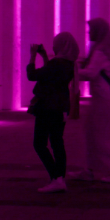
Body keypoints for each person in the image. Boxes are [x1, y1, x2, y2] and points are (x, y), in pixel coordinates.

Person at [70, 18, 110, 183]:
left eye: (91, 29)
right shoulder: (101, 48)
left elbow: (90, 73)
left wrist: (71, 69)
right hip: (101, 99)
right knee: (91, 134)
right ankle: (88, 170)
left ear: (99, 31)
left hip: (103, 99)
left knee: (103, 135)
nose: (89, 32)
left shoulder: (100, 51)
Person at [26, 32, 79, 193]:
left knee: (39, 144)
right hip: (61, 107)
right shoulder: (69, 63)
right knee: (57, 142)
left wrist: (33, 57)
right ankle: (60, 179)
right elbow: (51, 74)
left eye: (55, 43)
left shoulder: (56, 64)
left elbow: (32, 75)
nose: (53, 46)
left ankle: (55, 177)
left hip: (48, 107)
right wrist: (44, 57)